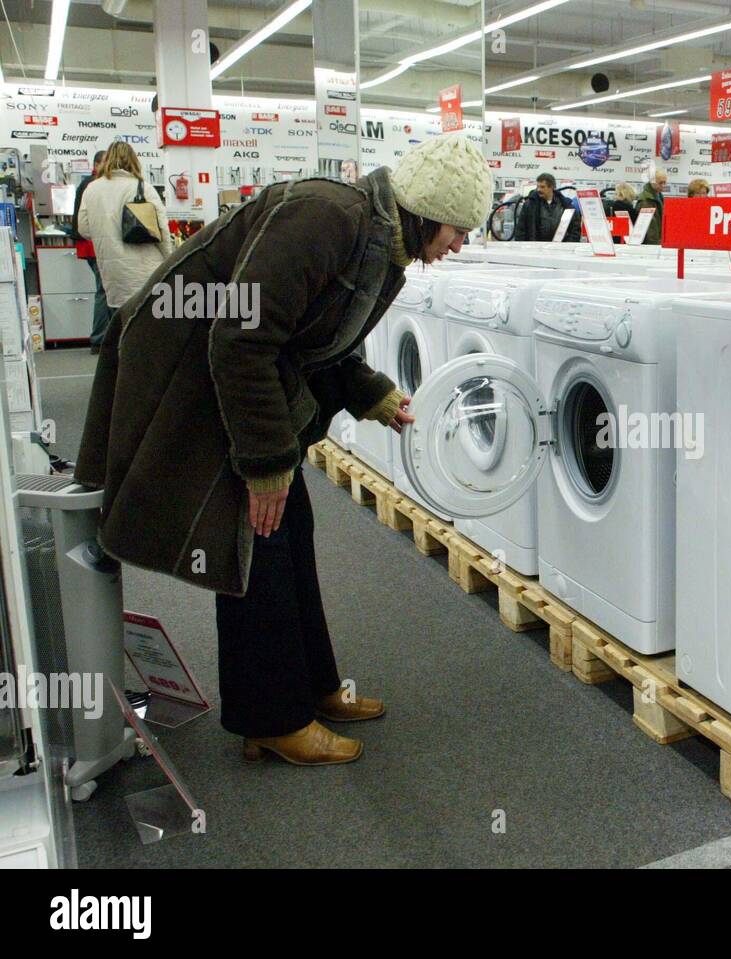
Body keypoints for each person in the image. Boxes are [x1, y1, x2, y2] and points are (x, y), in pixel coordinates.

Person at [74, 135, 494, 767]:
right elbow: (242, 340)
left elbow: (313, 340)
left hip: (243, 376)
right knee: (253, 541)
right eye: (459, 229)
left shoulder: (382, 242)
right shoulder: (327, 217)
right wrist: (265, 463)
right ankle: (271, 719)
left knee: (289, 525)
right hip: (189, 368)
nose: (460, 245)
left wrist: (370, 393)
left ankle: (314, 687)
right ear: (430, 209)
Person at [76, 142, 172, 318]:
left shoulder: (92, 189)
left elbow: (83, 228)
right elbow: (162, 231)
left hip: (112, 272)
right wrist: (171, 260)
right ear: (133, 160)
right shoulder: (142, 187)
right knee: (147, 327)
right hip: (145, 270)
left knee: (119, 324)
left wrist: (106, 233)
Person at [71, 150, 111, 353]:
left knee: (104, 291)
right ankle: (99, 339)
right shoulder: (93, 184)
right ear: (98, 164)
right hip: (94, 244)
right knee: (104, 291)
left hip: (90, 244)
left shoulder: (88, 184)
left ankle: (103, 337)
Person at [514, 172, 578, 242]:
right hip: (536, 248)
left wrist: (568, 245)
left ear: (551, 187)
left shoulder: (565, 205)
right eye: (538, 187)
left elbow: (575, 230)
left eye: (542, 187)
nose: (538, 190)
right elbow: (520, 229)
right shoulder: (530, 205)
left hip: (559, 249)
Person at [637, 169, 669, 246]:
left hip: (658, 242)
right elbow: (650, 229)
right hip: (651, 245)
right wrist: (656, 245)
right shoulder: (646, 200)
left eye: (665, 182)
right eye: (660, 183)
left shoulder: (658, 196)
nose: (663, 185)